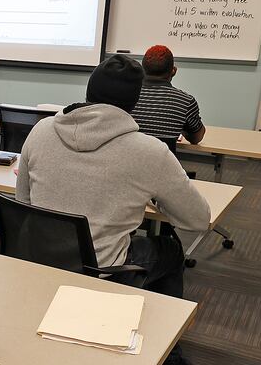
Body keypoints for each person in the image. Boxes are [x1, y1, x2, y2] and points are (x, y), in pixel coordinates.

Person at [15, 55, 209, 365]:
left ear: (89, 91)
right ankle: (168, 351)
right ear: (135, 101)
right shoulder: (149, 151)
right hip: (102, 270)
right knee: (170, 250)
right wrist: (155, 195)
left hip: (39, 258)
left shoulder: (41, 130)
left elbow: (23, 201)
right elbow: (198, 220)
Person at [131, 45, 206, 144]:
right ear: (173, 71)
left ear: (142, 70)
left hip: (128, 154)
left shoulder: (126, 97)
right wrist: (181, 124)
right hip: (163, 155)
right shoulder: (186, 102)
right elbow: (196, 138)